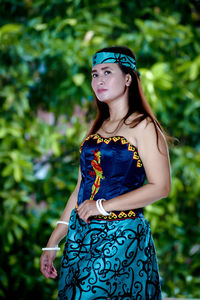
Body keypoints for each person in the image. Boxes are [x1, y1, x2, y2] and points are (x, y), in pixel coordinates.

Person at [40, 46, 172, 299]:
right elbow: (81, 189)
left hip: (122, 238)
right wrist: (53, 241)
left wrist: (103, 206)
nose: (98, 80)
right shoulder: (97, 129)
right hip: (81, 239)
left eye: (107, 72)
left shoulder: (143, 126)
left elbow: (161, 187)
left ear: (127, 79)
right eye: (94, 74)